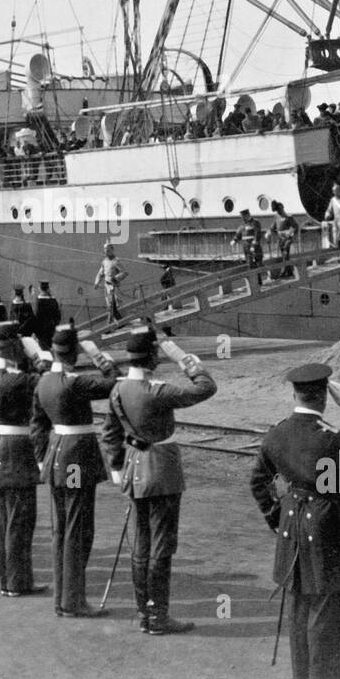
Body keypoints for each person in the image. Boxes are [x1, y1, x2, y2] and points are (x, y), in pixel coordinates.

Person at [251, 363, 340, 679]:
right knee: (328, 615)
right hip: (326, 524)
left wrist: (275, 518)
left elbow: (258, 482)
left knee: (299, 611)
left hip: (291, 524)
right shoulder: (333, 438)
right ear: (324, 398)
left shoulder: (276, 433)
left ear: (294, 393)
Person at [101, 330, 216, 634]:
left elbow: (110, 433)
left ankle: (144, 613)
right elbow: (206, 387)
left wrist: (116, 466)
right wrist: (183, 359)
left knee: (140, 546)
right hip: (161, 472)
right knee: (161, 547)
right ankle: (159, 617)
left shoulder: (117, 390)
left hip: (133, 470)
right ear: (153, 357)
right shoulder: (158, 391)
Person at [33, 324, 119, 617]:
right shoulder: (75, 382)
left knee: (62, 529)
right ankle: (73, 601)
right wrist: (100, 358)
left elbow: (38, 425)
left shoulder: (44, 381)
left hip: (56, 455)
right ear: (74, 352)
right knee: (77, 529)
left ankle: (63, 597)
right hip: (75, 459)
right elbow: (112, 383)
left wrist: (41, 459)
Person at [0, 321, 46, 597]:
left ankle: (7, 580)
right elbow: (52, 383)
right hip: (16, 453)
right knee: (20, 521)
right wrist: (37, 353)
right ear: (15, 347)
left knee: (1, 521)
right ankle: (18, 582)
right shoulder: (20, 380)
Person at [93, 245, 128, 321]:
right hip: (107, 287)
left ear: (112, 250)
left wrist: (116, 278)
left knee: (113, 306)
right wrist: (97, 282)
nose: (106, 252)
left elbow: (124, 272)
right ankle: (119, 322)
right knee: (110, 306)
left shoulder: (116, 261)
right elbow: (100, 273)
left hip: (114, 287)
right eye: (105, 250)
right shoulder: (104, 261)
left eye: (108, 250)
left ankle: (112, 324)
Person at [32, 281, 60, 350]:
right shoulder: (53, 300)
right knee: (50, 348)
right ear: (48, 288)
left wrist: (35, 331)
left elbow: (36, 316)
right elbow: (58, 315)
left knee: (43, 349)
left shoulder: (39, 301)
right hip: (51, 329)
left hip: (41, 331)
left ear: (40, 288)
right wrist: (54, 325)